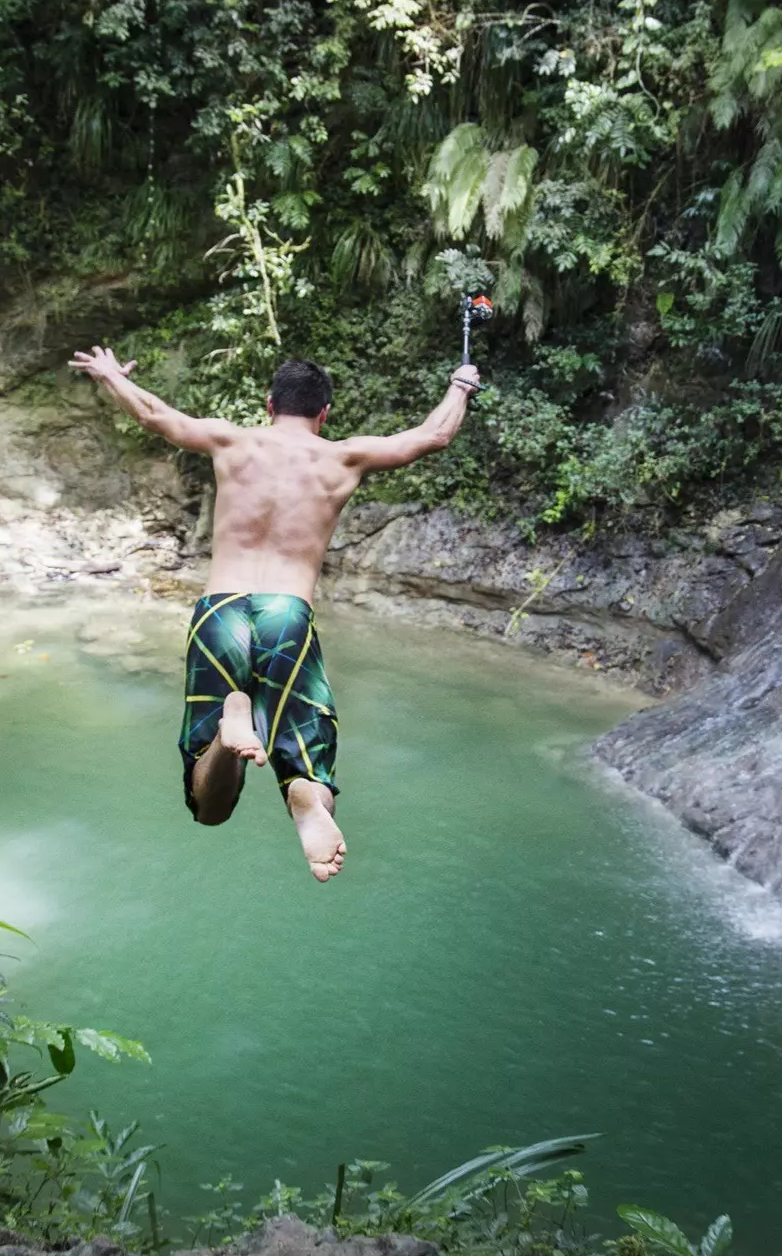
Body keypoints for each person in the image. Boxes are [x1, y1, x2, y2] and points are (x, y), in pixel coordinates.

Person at [67, 347, 482, 880]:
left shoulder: (231, 440)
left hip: (221, 610)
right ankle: (305, 799)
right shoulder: (344, 456)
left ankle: (225, 735)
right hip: (287, 612)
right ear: (324, 413)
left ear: (268, 404)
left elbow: (153, 414)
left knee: (209, 809)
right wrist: (461, 384)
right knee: (308, 761)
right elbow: (432, 436)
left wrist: (110, 377)